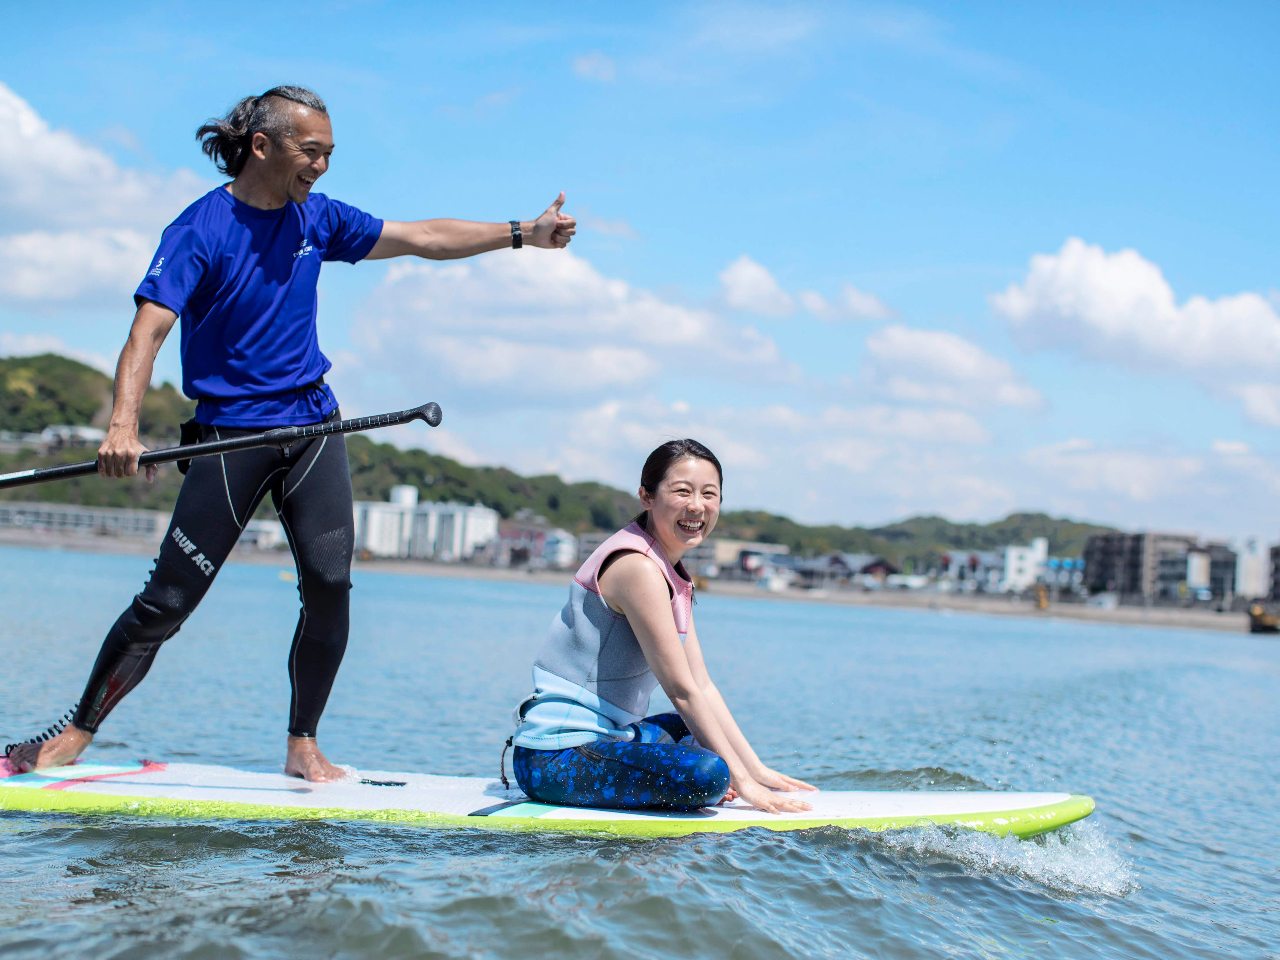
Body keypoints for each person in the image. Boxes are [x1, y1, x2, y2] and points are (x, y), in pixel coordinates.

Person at [5, 85, 575, 781]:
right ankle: (76, 732)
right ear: (263, 146)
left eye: (330, 153)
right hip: (228, 440)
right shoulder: (200, 230)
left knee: (331, 586)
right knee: (169, 600)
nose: (322, 166)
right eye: (311, 151)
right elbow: (146, 333)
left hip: (312, 430)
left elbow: (421, 237)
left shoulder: (318, 219)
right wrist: (121, 426)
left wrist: (522, 233)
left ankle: (302, 743)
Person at [509, 439, 815, 813]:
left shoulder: (667, 572)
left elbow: (701, 684)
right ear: (646, 497)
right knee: (709, 773)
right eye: (682, 492)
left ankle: (720, 775)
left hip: (611, 738)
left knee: (691, 732)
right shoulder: (637, 568)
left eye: (709, 494)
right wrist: (742, 783)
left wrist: (756, 771)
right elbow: (681, 689)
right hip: (554, 758)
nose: (697, 506)